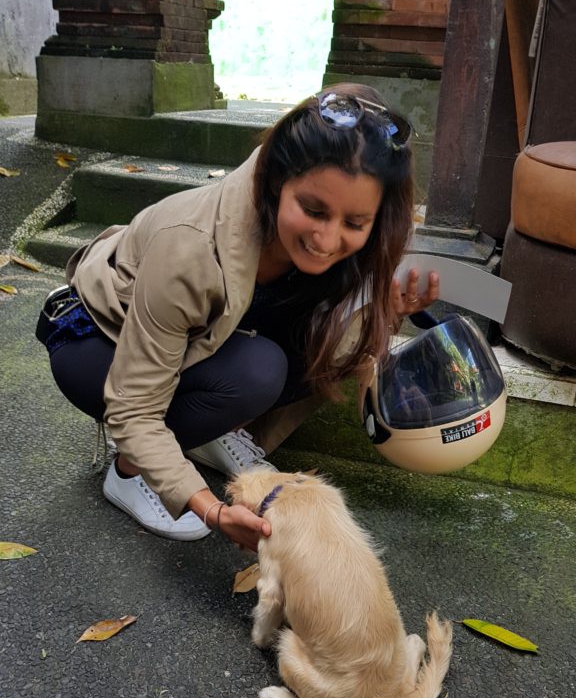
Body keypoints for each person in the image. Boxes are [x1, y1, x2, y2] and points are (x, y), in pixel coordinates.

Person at [39, 84, 438, 550]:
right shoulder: (189, 248)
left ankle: (205, 432)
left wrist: (386, 315)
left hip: (194, 341)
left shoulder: (350, 238)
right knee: (256, 373)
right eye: (313, 211)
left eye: (353, 223)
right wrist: (211, 509)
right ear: (276, 183)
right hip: (98, 338)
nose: (328, 240)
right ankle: (129, 472)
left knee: (313, 348)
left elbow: (330, 347)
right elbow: (135, 407)